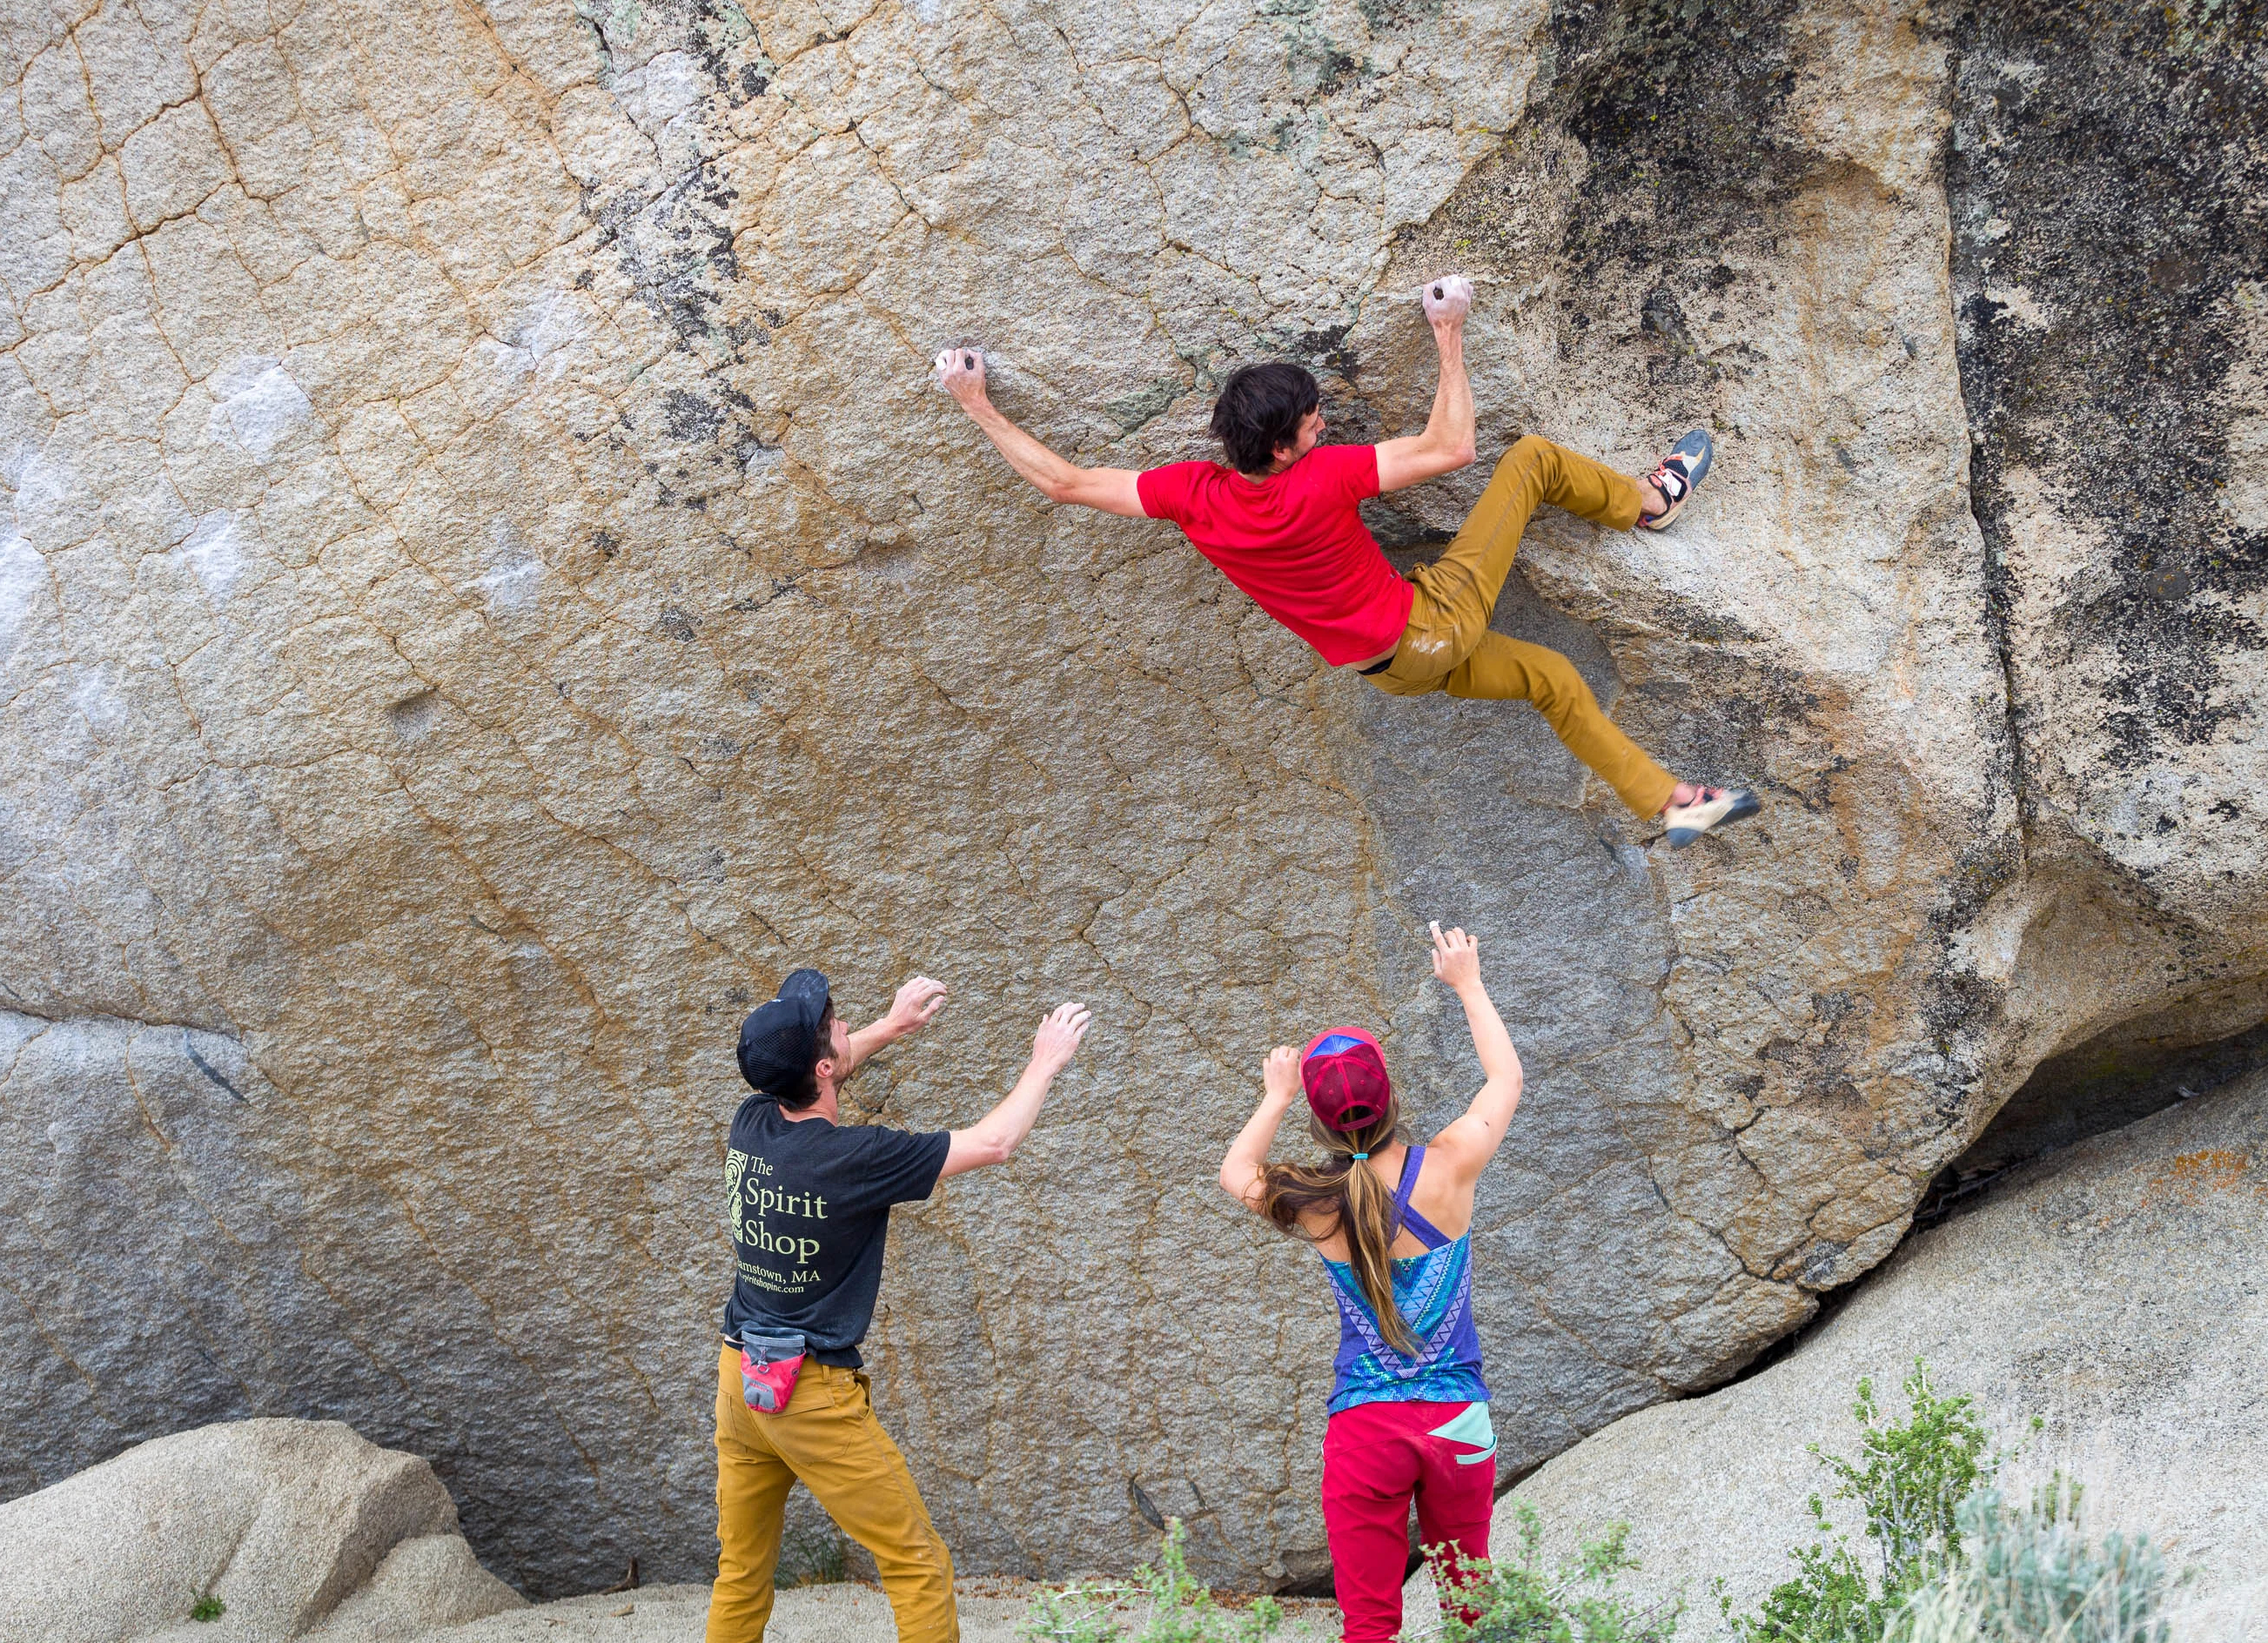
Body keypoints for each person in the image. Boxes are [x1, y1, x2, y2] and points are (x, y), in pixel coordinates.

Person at [934, 279, 1760, 848]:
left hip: (1391, 667)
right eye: (1315, 421)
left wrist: (977, 404)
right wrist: (1448, 333)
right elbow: (1455, 446)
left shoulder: (1193, 495)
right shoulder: (1321, 479)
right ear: (1285, 444)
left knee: (1550, 677)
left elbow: (1065, 482)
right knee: (1534, 459)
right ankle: (1653, 503)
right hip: (1432, 623)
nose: (1324, 427)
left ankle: (1671, 804)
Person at [708, 968, 1093, 1643]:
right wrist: (1044, 1063)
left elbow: (827, 1070)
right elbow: (994, 1143)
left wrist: (894, 1023)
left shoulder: (752, 1122)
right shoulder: (854, 1158)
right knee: (917, 1563)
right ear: (823, 1065)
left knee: (741, 1570)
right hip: (809, 1395)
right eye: (836, 1023)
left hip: (740, 1380)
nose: (845, 1023)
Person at [1218, 922, 1520, 1643]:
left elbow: (1236, 1173)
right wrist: (1468, 984)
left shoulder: (1318, 1202)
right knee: (1473, 1611)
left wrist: (1276, 1095)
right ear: (1391, 1097)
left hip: (1365, 1429)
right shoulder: (1450, 1165)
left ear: (1324, 1125)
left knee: (1370, 1625)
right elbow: (1505, 1079)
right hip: (1457, 1422)